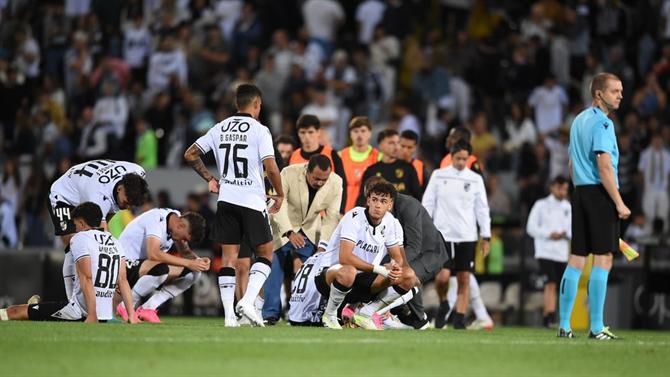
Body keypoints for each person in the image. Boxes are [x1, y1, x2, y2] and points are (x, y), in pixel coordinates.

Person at [183, 83, 284, 327]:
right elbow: (270, 166)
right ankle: (248, 301)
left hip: (226, 199)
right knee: (266, 252)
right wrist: (279, 193)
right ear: (257, 104)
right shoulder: (260, 130)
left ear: (236, 104)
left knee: (228, 258)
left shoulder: (219, 127)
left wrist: (210, 179)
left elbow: (190, 153)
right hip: (251, 199)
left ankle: (230, 316)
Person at [559, 72, 629, 340]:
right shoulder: (603, 124)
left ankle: (564, 326)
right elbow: (604, 166)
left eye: (621, 90)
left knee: (577, 258)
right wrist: (618, 203)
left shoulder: (578, 120)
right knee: (604, 258)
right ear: (599, 94)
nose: (620, 95)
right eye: (615, 91)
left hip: (580, 192)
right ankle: (597, 327)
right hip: (600, 194)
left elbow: (571, 163)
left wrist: (581, 193)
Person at [0, 202, 138, 324]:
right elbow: (123, 280)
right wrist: (132, 315)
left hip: (80, 312)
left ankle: (32, 309)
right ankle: (36, 309)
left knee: (14, 311)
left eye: (76, 223)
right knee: (38, 311)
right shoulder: (115, 242)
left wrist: (92, 315)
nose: (75, 228)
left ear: (82, 223)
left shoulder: (80, 238)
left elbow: (87, 278)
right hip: (106, 314)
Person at [316, 181, 417, 330]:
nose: (377, 205)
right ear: (368, 200)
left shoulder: (390, 222)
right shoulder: (354, 216)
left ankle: (366, 314)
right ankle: (329, 315)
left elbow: (397, 256)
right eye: (375, 199)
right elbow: (345, 258)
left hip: (363, 280)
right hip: (332, 275)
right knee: (349, 271)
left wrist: (394, 265)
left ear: (390, 205)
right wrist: (378, 269)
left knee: (408, 276)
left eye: (383, 201)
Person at [48, 159, 149, 301]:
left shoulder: (138, 172)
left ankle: (88, 298)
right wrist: (116, 276)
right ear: (119, 188)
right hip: (65, 196)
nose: (127, 208)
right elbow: (102, 240)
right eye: (126, 202)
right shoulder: (99, 196)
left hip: (87, 186)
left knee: (95, 245)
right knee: (73, 247)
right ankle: (72, 301)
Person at [264, 155, 342, 323]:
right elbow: (278, 204)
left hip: (310, 230)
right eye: (316, 178)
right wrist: (289, 232)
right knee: (274, 269)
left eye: (324, 179)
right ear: (307, 170)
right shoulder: (288, 172)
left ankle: (306, 314)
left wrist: (323, 245)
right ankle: (270, 315)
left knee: (311, 275)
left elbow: (331, 216)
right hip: (282, 228)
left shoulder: (336, 182)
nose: (320, 182)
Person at [423, 140, 491, 330]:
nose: (461, 162)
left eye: (464, 159)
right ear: (451, 157)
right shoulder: (438, 175)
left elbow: (482, 209)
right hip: (443, 235)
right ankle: (444, 301)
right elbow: (428, 203)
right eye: (458, 158)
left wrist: (486, 235)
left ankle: (460, 317)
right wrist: (427, 229)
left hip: (467, 236)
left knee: (464, 278)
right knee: (442, 278)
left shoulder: (475, 179)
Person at [115, 208, 209, 323]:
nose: (183, 241)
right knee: (160, 268)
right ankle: (125, 305)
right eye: (184, 238)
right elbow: (153, 254)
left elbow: (185, 252)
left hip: (141, 268)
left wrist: (199, 261)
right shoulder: (157, 219)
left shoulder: (177, 222)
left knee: (194, 273)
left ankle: (148, 308)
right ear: (181, 226)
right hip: (123, 265)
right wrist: (190, 263)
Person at [526, 176, 571, 328]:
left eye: (565, 189)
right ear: (552, 187)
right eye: (560, 188)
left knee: (559, 286)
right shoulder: (541, 205)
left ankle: (554, 317)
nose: (563, 192)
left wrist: (565, 234)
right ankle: (548, 317)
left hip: (561, 252)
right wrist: (549, 234)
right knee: (550, 283)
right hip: (544, 251)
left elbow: (573, 230)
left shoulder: (568, 207)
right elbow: (530, 227)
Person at [289, 114, 348, 213]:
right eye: (302, 132)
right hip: (298, 217)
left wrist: (341, 211)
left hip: (326, 215)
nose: (306, 137)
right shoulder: (293, 156)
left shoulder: (331, 154)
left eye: (310, 132)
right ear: (298, 133)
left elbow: (342, 186)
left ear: (318, 132)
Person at [355, 129, 421, 205]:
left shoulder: (408, 168)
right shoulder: (371, 171)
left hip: (403, 215)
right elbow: (362, 200)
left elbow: (418, 197)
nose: (396, 147)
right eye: (391, 143)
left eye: (398, 143)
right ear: (380, 145)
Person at [339, 116, 380, 212]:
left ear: (370, 133)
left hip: (368, 210)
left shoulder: (378, 157)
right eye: (356, 131)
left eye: (363, 131)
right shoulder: (340, 156)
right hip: (342, 209)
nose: (359, 135)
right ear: (350, 134)